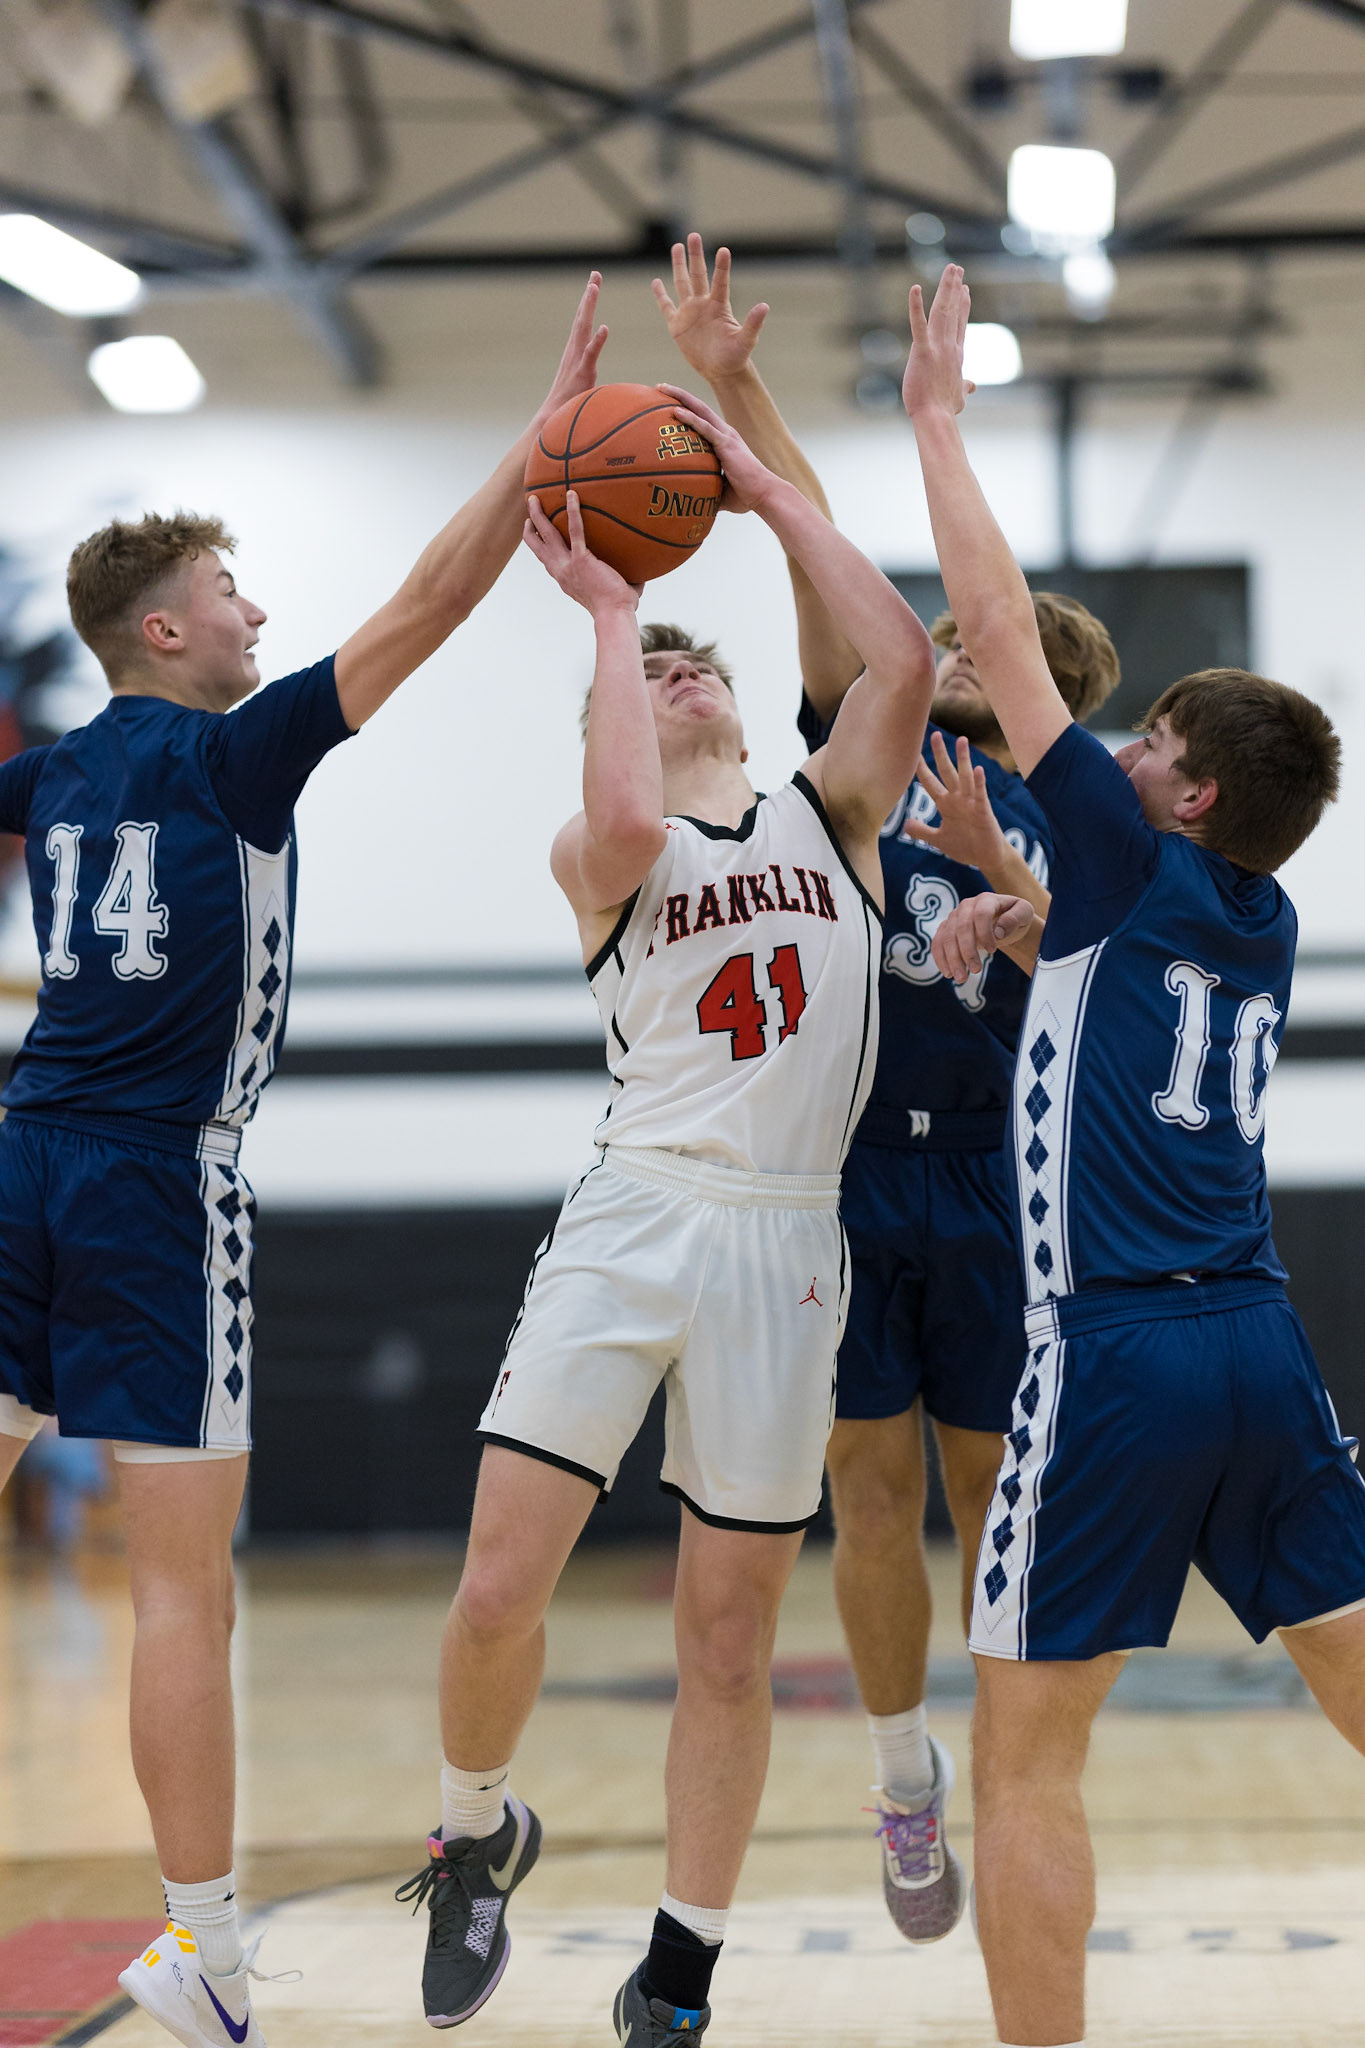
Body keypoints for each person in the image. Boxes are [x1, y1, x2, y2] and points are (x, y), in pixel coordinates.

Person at [0, 275, 609, 2048]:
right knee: (181, 1591)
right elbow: (429, 602)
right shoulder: (233, 759)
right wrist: (542, 440)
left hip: (19, 1155)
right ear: (165, 633)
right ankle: (204, 1957)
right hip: (152, 1184)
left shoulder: (49, 780)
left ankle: (201, 1955)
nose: (257, 610)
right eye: (229, 592)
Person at [397, 393, 937, 2047]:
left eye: (697, 662)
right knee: (500, 1587)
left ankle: (679, 1972)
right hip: (635, 1211)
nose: (681, 669)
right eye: (651, 675)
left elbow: (903, 662)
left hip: (787, 1239)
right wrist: (609, 614)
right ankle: (474, 1830)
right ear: (607, 718)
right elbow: (629, 818)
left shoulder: (830, 813)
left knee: (729, 1636)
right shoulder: (599, 847)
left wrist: (768, 492)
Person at [906, 264, 1365, 2048]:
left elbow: (992, 622)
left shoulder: (1113, 845)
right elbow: (1114, 996)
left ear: (1184, 796)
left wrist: (938, 422)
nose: (1115, 747)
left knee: (1024, 1757)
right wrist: (1012, 902)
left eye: (1148, 742)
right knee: (1349, 1673)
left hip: (1106, 1353)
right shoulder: (1258, 914)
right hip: (1258, 1338)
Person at [652, 233, 1119, 1938]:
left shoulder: (1073, 810)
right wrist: (729, 383)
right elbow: (813, 538)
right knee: (863, 1485)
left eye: (1001, 654)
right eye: (954, 642)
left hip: (999, 1176)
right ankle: (901, 1772)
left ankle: (1004, 1770)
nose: (966, 657)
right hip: (847, 1164)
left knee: (992, 1491)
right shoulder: (869, 743)